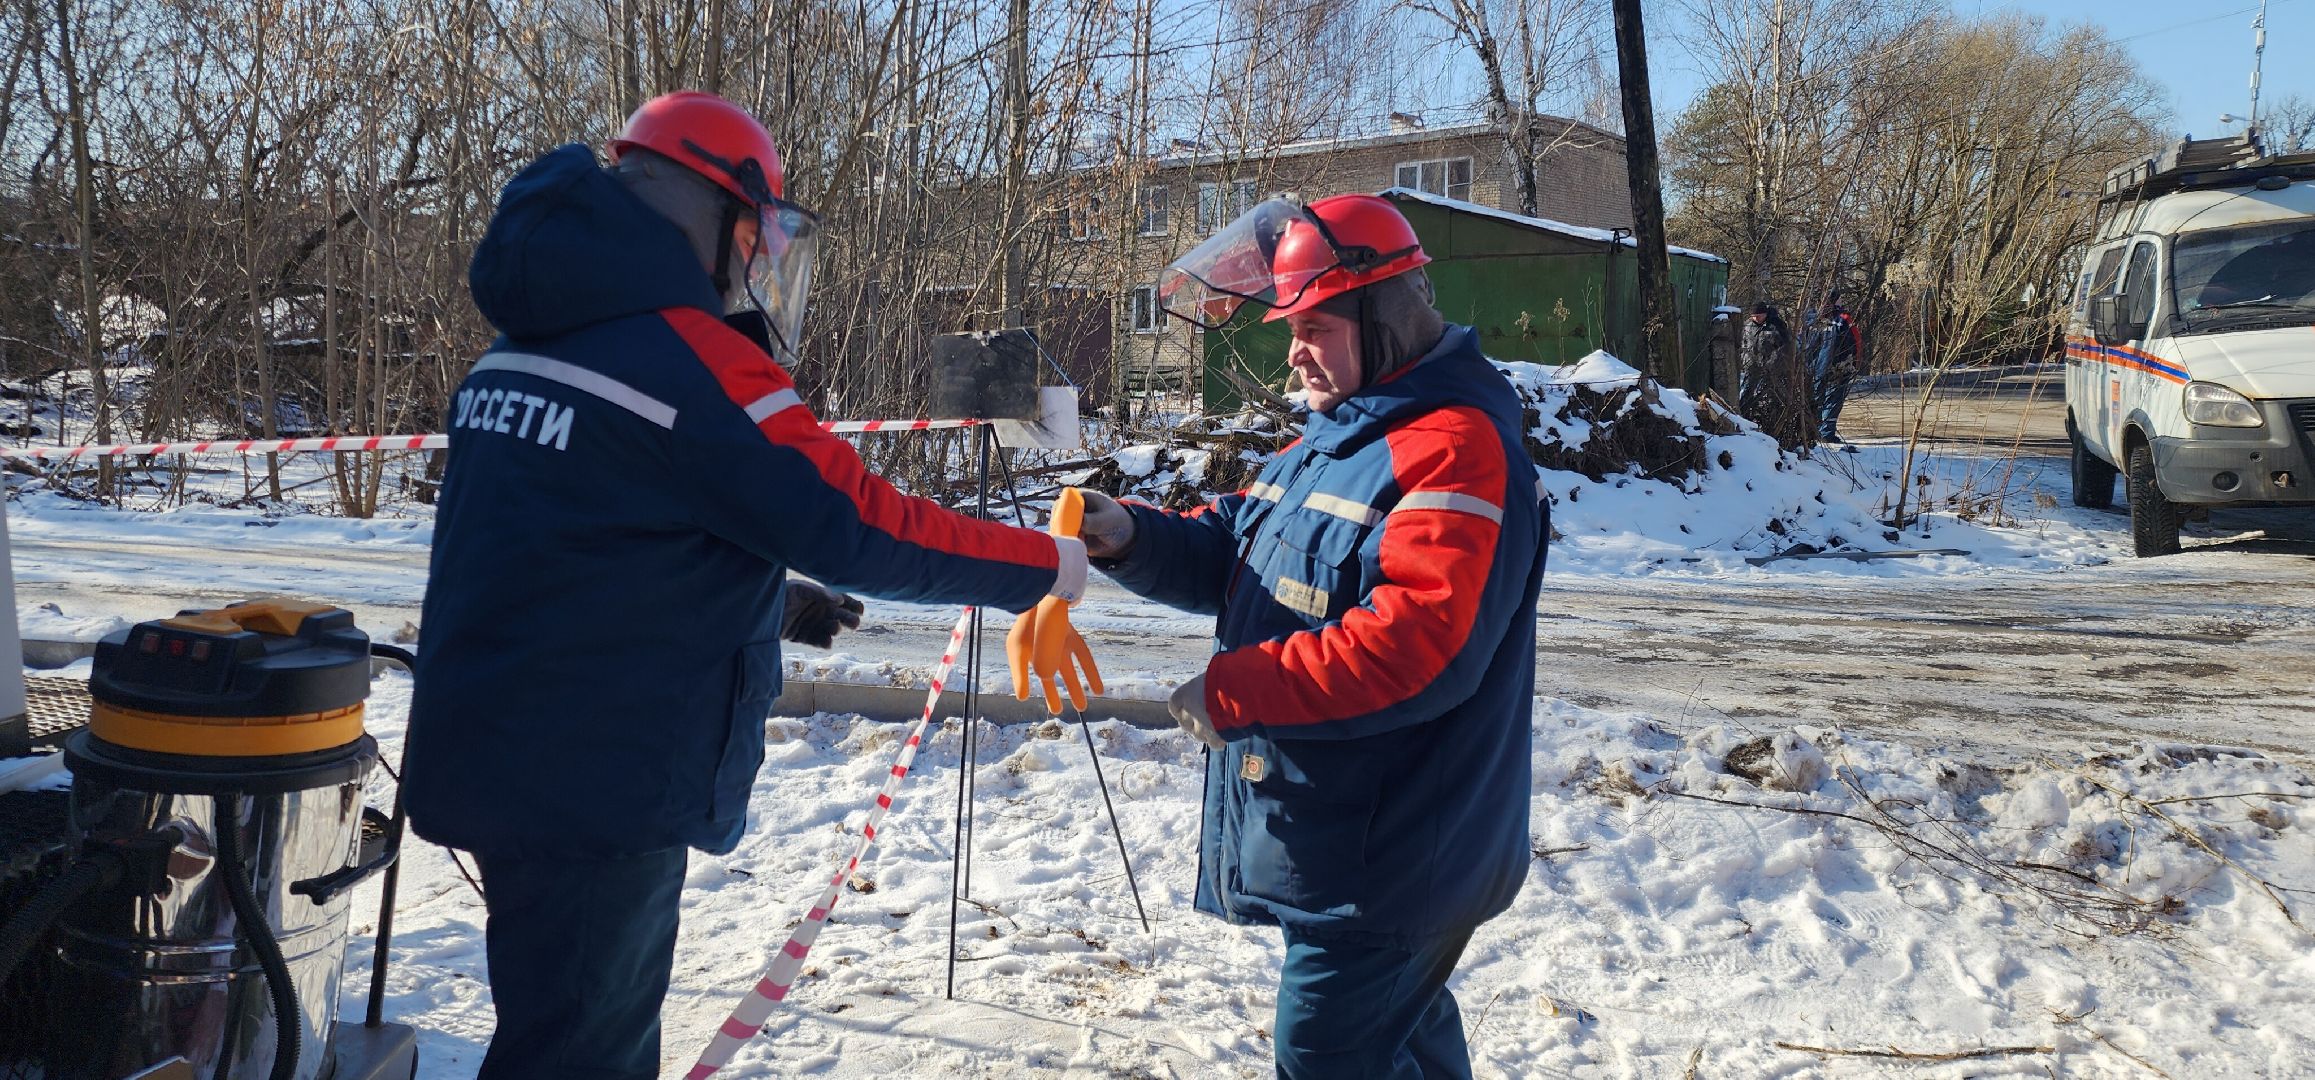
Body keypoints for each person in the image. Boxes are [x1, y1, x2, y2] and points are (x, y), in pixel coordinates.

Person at [403, 90, 1097, 1079]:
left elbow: (572, 552)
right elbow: (863, 525)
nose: (752, 264)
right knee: (581, 1054)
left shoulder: (523, 348)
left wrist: (763, 599)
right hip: (599, 786)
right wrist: (1044, 566)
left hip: (495, 752)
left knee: (550, 1031)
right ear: (707, 214)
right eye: (749, 235)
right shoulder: (694, 364)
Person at [1079, 193, 1549, 1078]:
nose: (1295, 352)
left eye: (1315, 326)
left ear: (1387, 312)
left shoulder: (1454, 448)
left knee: (1324, 1052)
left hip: (1395, 852)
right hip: (1351, 838)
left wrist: (1238, 690)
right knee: (1401, 1037)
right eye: (1292, 328)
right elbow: (1239, 551)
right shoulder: (1337, 437)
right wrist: (1132, 535)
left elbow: (1415, 648)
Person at [1737, 302, 1806, 448]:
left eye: (1759, 316)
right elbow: (1744, 343)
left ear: (1765, 314)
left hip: (1771, 369)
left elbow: (1784, 348)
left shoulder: (1776, 326)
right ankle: (1743, 418)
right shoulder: (1748, 326)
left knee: (1770, 396)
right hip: (1752, 365)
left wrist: (1772, 363)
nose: (1756, 318)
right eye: (1754, 316)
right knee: (1747, 393)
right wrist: (1744, 358)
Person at [1807, 293, 1863, 444]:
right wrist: (1854, 362)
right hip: (1837, 367)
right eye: (1839, 298)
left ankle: (1813, 431)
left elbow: (1803, 344)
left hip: (1816, 368)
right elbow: (1856, 342)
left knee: (1817, 400)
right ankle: (1825, 432)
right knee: (1832, 400)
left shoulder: (1811, 319)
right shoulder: (1843, 319)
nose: (1841, 301)